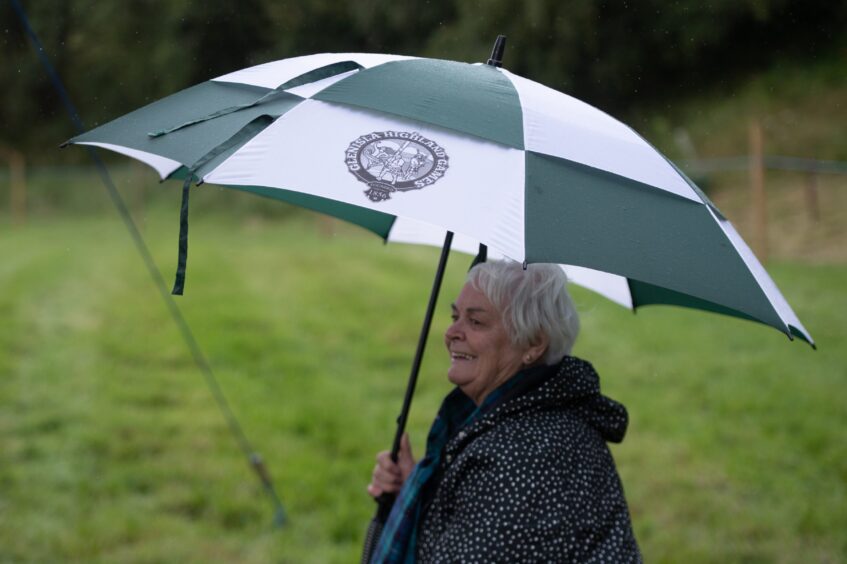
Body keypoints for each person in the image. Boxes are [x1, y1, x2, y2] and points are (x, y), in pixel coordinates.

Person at [367, 261, 641, 562]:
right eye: (455, 316)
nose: (451, 332)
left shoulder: (521, 459)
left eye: (476, 322)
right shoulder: (533, 419)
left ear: (533, 343)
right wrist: (415, 494)